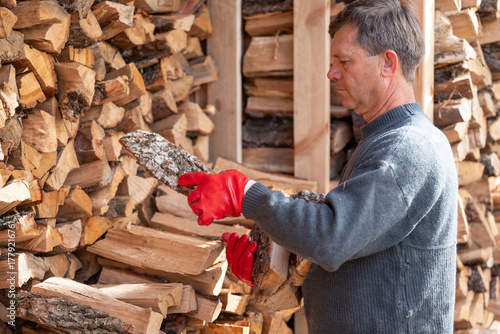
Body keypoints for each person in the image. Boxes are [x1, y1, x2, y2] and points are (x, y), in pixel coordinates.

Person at [178, 0, 458, 332]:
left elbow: (332, 236)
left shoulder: (407, 148)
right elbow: (362, 255)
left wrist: (248, 194)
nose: (331, 72)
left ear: (387, 63)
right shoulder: (385, 140)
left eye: (344, 61)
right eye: (332, 61)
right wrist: (273, 269)